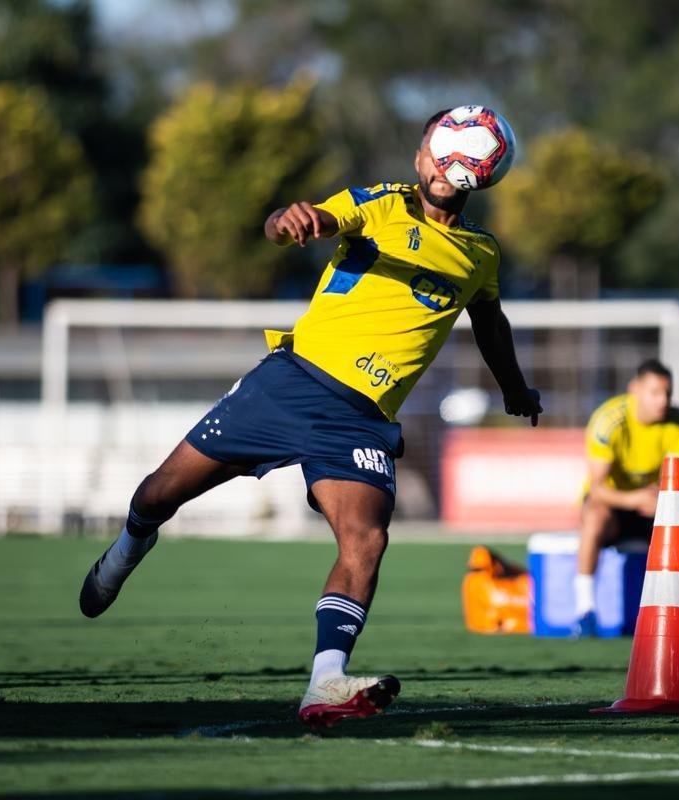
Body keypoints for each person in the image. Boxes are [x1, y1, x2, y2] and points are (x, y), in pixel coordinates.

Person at [78, 108, 543, 727]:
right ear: (421, 156)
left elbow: (490, 322)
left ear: (485, 173)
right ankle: (128, 547)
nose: (444, 166)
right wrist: (288, 219)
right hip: (289, 385)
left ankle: (326, 682)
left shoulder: (480, 253)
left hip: (360, 420)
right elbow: (308, 220)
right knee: (160, 492)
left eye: (461, 159)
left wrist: (514, 387)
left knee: (367, 539)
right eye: (437, 152)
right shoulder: (379, 204)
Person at [574, 359, 679, 634]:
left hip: (654, 506)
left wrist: (662, 503)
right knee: (594, 514)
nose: (663, 401)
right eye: (655, 393)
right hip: (615, 507)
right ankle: (585, 610)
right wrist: (635, 499)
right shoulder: (609, 420)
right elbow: (597, 488)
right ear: (634, 389)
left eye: (667, 393)